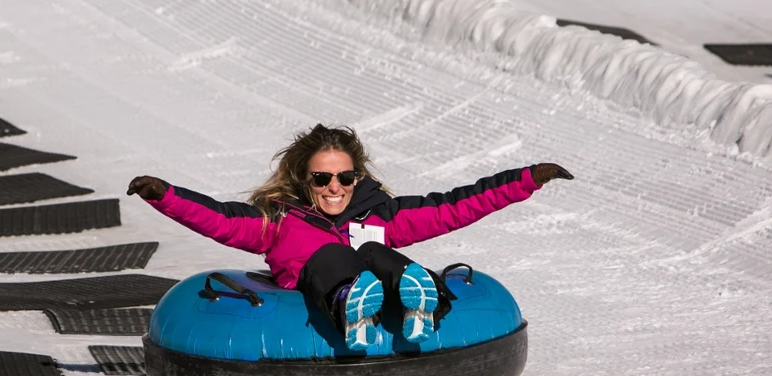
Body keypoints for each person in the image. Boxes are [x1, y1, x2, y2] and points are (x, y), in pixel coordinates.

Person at [127, 124, 573, 350]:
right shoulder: (276, 221)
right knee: (328, 256)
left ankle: (420, 297)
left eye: (345, 177)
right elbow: (218, 218)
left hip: (377, 275)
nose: (334, 187)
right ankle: (351, 301)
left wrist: (527, 179)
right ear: (304, 180)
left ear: (357, 177)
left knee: (375, 248)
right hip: (320, 292)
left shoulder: (381, 214)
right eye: (321, 178)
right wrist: (162, 194)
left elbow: (454, 206)